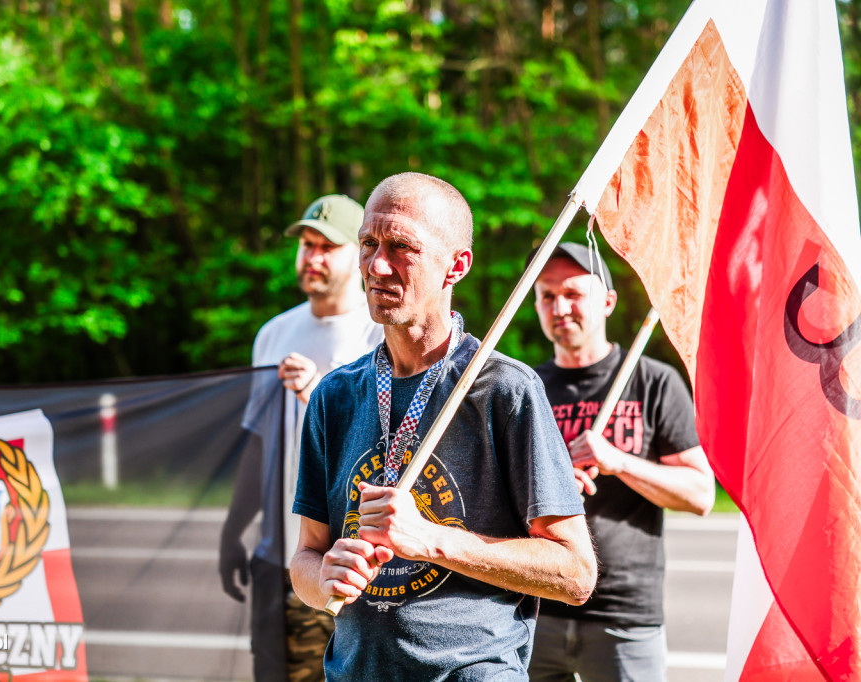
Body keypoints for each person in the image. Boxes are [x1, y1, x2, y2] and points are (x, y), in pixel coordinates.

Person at [290, 172, 597, 681]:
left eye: (401, 246)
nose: (376, 264)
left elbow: (575, 572)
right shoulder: (334, 396)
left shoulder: (505, 389)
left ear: (457, 266)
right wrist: (323, 578)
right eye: (368, 242)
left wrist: (430, 540)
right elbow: (305, 555)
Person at [527, 242, 715, 682]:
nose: (560, 307)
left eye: (574, 293)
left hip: (625, 618)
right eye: (548, 295)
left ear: (607, 302)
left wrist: (619, 462)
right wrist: (545, 485)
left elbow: (701, 494)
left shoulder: (653, 382)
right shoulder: (525, 387)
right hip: (537, 609)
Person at [219, 194, 384, 682]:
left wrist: (318, 393)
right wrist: (234, 532)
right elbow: (259, 444)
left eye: (326, 247)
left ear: (358, 256)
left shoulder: (377, 335)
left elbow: (389, 444)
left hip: (344, 557)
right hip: (279, 556)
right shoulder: (274, 333)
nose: (312, 257)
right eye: (306, 245)